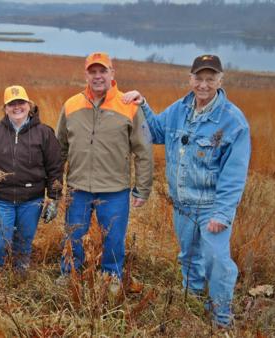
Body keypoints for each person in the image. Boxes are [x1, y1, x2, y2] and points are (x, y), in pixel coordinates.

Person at [123, 54, 251, 327]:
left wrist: (222, 213)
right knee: (189, 256)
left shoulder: (233, 121)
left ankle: (220, 317)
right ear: (190, 78)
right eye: (199, 78)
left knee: (217, 260)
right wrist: (142, 104)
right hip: (182, 204)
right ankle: (192, 300)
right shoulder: (180, 109)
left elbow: (234, 174)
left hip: (210, 207)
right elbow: (155, 132)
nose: (203, 84)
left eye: (210, 79)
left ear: (220, 80)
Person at [55, 52, 153, 284]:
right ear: (86, 75)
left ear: (112, 74)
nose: (98, 76)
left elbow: (143, 150)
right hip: (78, 186)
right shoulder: (71, 105)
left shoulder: (128, 105)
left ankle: (111, 277)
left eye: (103, 71)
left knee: (114, 238)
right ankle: (70, 274)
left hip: (115, 188)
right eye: (93, 71)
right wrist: (56, 183)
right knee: (73, 234)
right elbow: (60, 148)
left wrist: (143, 188)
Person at [0, 85, 63, 272]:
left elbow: (55, 167)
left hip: (31, 200)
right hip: (1, 200)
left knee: (23, 244)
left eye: (21, 102)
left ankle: (19, 276)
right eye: (11, 104)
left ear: (29, 105)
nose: (16, 107)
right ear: (5, 108)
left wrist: (54, 198)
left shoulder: (44, 133)